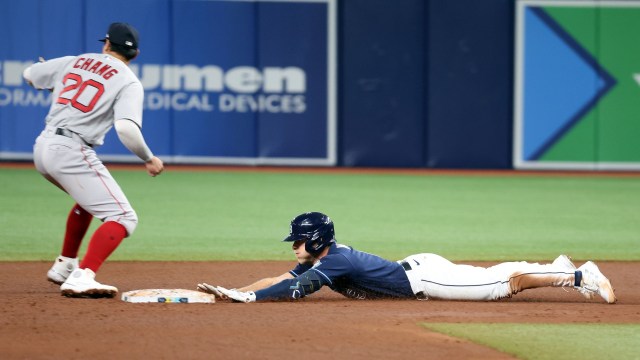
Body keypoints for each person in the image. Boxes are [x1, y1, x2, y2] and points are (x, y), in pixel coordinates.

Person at [23, 22, 164, 298]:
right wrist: (149, 158)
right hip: (71, 150)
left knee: (90, 200)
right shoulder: (128, 81)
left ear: (107, 45)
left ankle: (65, 264)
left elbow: (30, 75)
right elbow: (126, 128)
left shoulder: (76, 61)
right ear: (134, 54)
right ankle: (83, 276)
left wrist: (53, 81)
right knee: (123, 217)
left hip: (43, 146)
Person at [197, 212, 617, 304]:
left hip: (424, 280)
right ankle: (559, 267)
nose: (293, 247)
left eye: (298, 241)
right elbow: (281, 275)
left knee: (499, 286)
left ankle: (578, 277)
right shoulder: (326, 257)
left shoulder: (334, 262)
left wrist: (254, 300)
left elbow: (294, 288)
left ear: (317, 239)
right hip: (419, 267)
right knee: (491, 275)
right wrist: (236, 291)